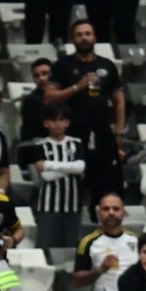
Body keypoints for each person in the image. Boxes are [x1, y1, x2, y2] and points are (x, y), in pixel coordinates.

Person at [44, 20, 126, 215]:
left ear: (95, 37)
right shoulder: (63, 65)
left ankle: (102, 215)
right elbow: (49, 98)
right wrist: (76, 87)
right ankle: (75, 216)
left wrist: (119, 133)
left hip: (103, 133)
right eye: (79, 34)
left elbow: (119, 101)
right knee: (76, 179)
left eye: (88, 33)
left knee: (106, 180)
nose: (84, 38)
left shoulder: (107, 65)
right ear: (73, 39)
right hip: (72, 134)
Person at [23, 103, 86, 250]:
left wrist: (48, 164)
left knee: (72, 249)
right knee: (45, 248)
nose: (57, 124)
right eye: (53, 120)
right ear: (46, 123)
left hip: (73, 205)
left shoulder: (76, 143)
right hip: (48, 206)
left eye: (61, 120)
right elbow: (46, 177)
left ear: (67, 123)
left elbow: (81, 167)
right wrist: (71, 168)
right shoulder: (40, 145)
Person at [74, 193, 140, 291]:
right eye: (106, 209)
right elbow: (77, 280)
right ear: (99, 213)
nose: (111, 212)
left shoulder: (134, 239)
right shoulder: (88, 242)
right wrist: (100, 270)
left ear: (124, 212)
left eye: (116, 209)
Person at [20, 57, 53, 142]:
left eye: (45, 73)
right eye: (36, 75)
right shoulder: (30, 102)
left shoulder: (65, 93)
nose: (41, 78)